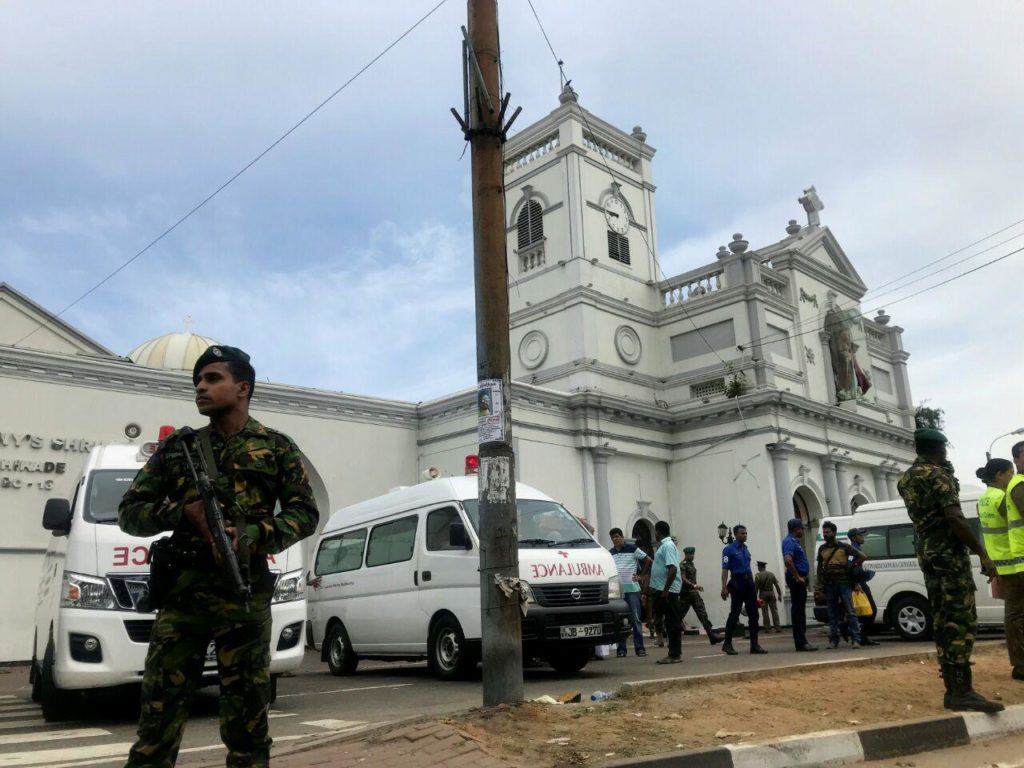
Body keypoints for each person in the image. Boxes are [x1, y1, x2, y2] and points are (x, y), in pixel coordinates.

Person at [118, 345, 320, 767]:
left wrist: (249, 534)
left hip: (242, 596)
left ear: (242, 387)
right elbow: (130, 513)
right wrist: (181, 513)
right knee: (158, 717)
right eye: (198, 380)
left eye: (212, 378)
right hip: (183, 595)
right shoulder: (180, 448)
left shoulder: (276, 447)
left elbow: (304, 514)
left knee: (247, 722)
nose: (200, 387)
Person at [897, 427, 1002, 712]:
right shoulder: (938, 475)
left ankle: (952, 688)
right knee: (960, 618)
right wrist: (981, 553)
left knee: (942, 618)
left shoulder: (906, 478)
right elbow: (955, 517)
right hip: (948, 555)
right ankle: (962, 691)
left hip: (927, 553)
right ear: (939, 448)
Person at [996, 449, 1024, 681]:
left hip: (1015, 561)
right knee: (1015, 615)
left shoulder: (1012, 486)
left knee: (1015, 614)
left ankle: (1020, 664)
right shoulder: (1019, 485)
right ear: (1015, 460)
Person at [816, 521, 866, 648]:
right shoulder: (822, 549)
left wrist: (852, 567)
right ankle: (834, 640)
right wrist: (819, 584)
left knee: (850, 611)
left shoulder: (844, 547)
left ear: (834, 532)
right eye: (824, 532)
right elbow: (820, 568)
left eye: (827, 532)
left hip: (844, 583)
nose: (825, 534)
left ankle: (856, 639)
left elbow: (862, 556)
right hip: (829, 584)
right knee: (832, 613)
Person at [720, 524, 765, 655]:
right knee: (734, 613)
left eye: (746, 533)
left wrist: (752, 584)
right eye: (742, 533)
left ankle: (754, 645)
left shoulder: (746, 549)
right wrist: (724, 587)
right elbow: (725, 569)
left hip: (748, 582)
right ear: (736, 534)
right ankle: (727, 644)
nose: (745, 535)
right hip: (737, 582)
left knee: (754, 614)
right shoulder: (728, 550)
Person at [609, 528, 650, 658]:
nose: (615, 539)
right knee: (620, 621)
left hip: (632, 590)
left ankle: (640, 648)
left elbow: (648, 560)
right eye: (613, 537)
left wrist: (641, 576)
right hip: (618, 593)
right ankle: (621, 649)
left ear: (622, 537)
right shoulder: (611, 553)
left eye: (617, 536)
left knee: (636, 619)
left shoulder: (632, 549)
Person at [649, 521, 684, 664]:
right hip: (662, 589)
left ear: (658, 532)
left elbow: (672, 569)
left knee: (672, 622)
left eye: (655, 533)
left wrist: (665, 590)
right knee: (669, 621)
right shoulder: (664, 546)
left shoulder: (668, 546)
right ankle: (673, 652)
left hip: (667, 591)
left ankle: (674, 654)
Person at [782, 518, 817, 651]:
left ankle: (802, 640)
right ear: (796, 529)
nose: (803, 530)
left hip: (798, 578)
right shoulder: (790, 542)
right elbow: (788, 560)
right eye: (801, 528)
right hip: (797, 579)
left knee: (799, 610)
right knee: (798, 611)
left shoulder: (794, 541)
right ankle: (801, 642)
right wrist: (797, 576)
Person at [678, 546, 723, 645]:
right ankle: (672, 637)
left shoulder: (691, 564)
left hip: (693, 594)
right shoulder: (682, 565)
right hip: (686, 594)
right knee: (678, 616)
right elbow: (683, 578)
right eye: (691, 554)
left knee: (702, 613)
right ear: (686, 555)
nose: (692, 556)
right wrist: (694, 585)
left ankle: (712, 636)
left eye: (693, 554)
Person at [846, 528, 880, 646]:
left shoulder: (857, 549)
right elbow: (849, 567)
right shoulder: (852, 550)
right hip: (857, 584)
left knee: (865, 611)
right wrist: (855, 583)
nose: (863, 537)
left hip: (860, 582)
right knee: (870, 610)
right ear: (854, 538)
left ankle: (862, 636)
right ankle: (854, 632)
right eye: (860, 535)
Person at [754, 561, 783, 633]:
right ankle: (778, 627)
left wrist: (754, 598)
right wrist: (779, 595)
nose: (758, 567)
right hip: (771, 593)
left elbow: (756, 588)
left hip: (763, 594)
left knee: (765, 611)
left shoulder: (758, 575)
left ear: (760, 567)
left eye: (758, 566)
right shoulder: (771, 574)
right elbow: (777, 585)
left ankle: (767, 628)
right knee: (774, 611)